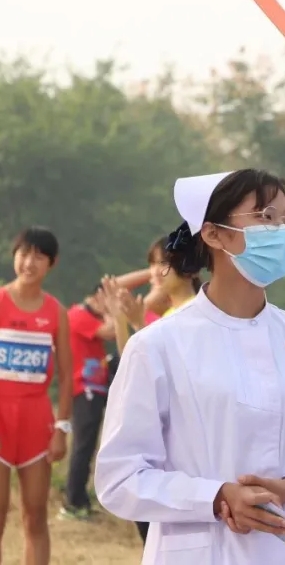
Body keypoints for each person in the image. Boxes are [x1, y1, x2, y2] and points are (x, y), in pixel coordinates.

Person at [95, 169, 285, 564]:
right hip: (203, 551)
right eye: (264, 217)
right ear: (214, 234)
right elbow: (120, 477)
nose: (281, 232)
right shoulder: (158, 346)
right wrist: (217, 496)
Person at [0, 227, 72, 565]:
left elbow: (68, 376)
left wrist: (61, 428)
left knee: (36, 517)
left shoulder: (56, 312)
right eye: (24, 253)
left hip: (36, 424)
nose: (29, 262)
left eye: (39, 256)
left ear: (51, 264)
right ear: (15, 257)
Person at [100, 234, 203, 545]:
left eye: (163, 263)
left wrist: (135, 322)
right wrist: (124, 320)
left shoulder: (196, 314)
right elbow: (133, 364)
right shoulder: (167, 316)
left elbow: (174, 374)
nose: (155, 272)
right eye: (152, 264)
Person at [60, 285, 115, 521]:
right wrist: (112, 310)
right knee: (82, 446)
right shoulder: (78, 315)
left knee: (88, 445)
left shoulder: (87, 315)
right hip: (84, 388)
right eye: (105, 301)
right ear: (95, 297)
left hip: (95, 387)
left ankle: (80, 497)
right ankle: (73, 502)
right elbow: (110, 332)